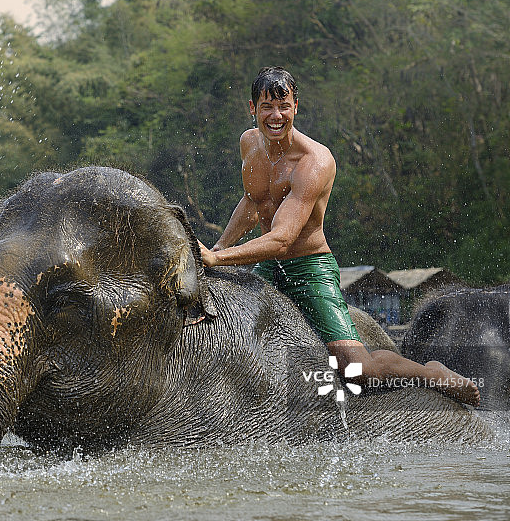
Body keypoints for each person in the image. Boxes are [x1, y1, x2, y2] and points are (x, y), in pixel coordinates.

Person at [198, 66, 480, 407]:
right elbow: (252, 202)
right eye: (267, 106)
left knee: (357, 370)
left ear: (295, 107)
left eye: (283, 106)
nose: (276, 115)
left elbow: (282, 239)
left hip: (309, 268)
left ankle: (431, 372)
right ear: (252, 108)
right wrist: (220, 246)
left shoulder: (314, 161)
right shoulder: (249, 143)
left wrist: (216, 258)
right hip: (269, 266)